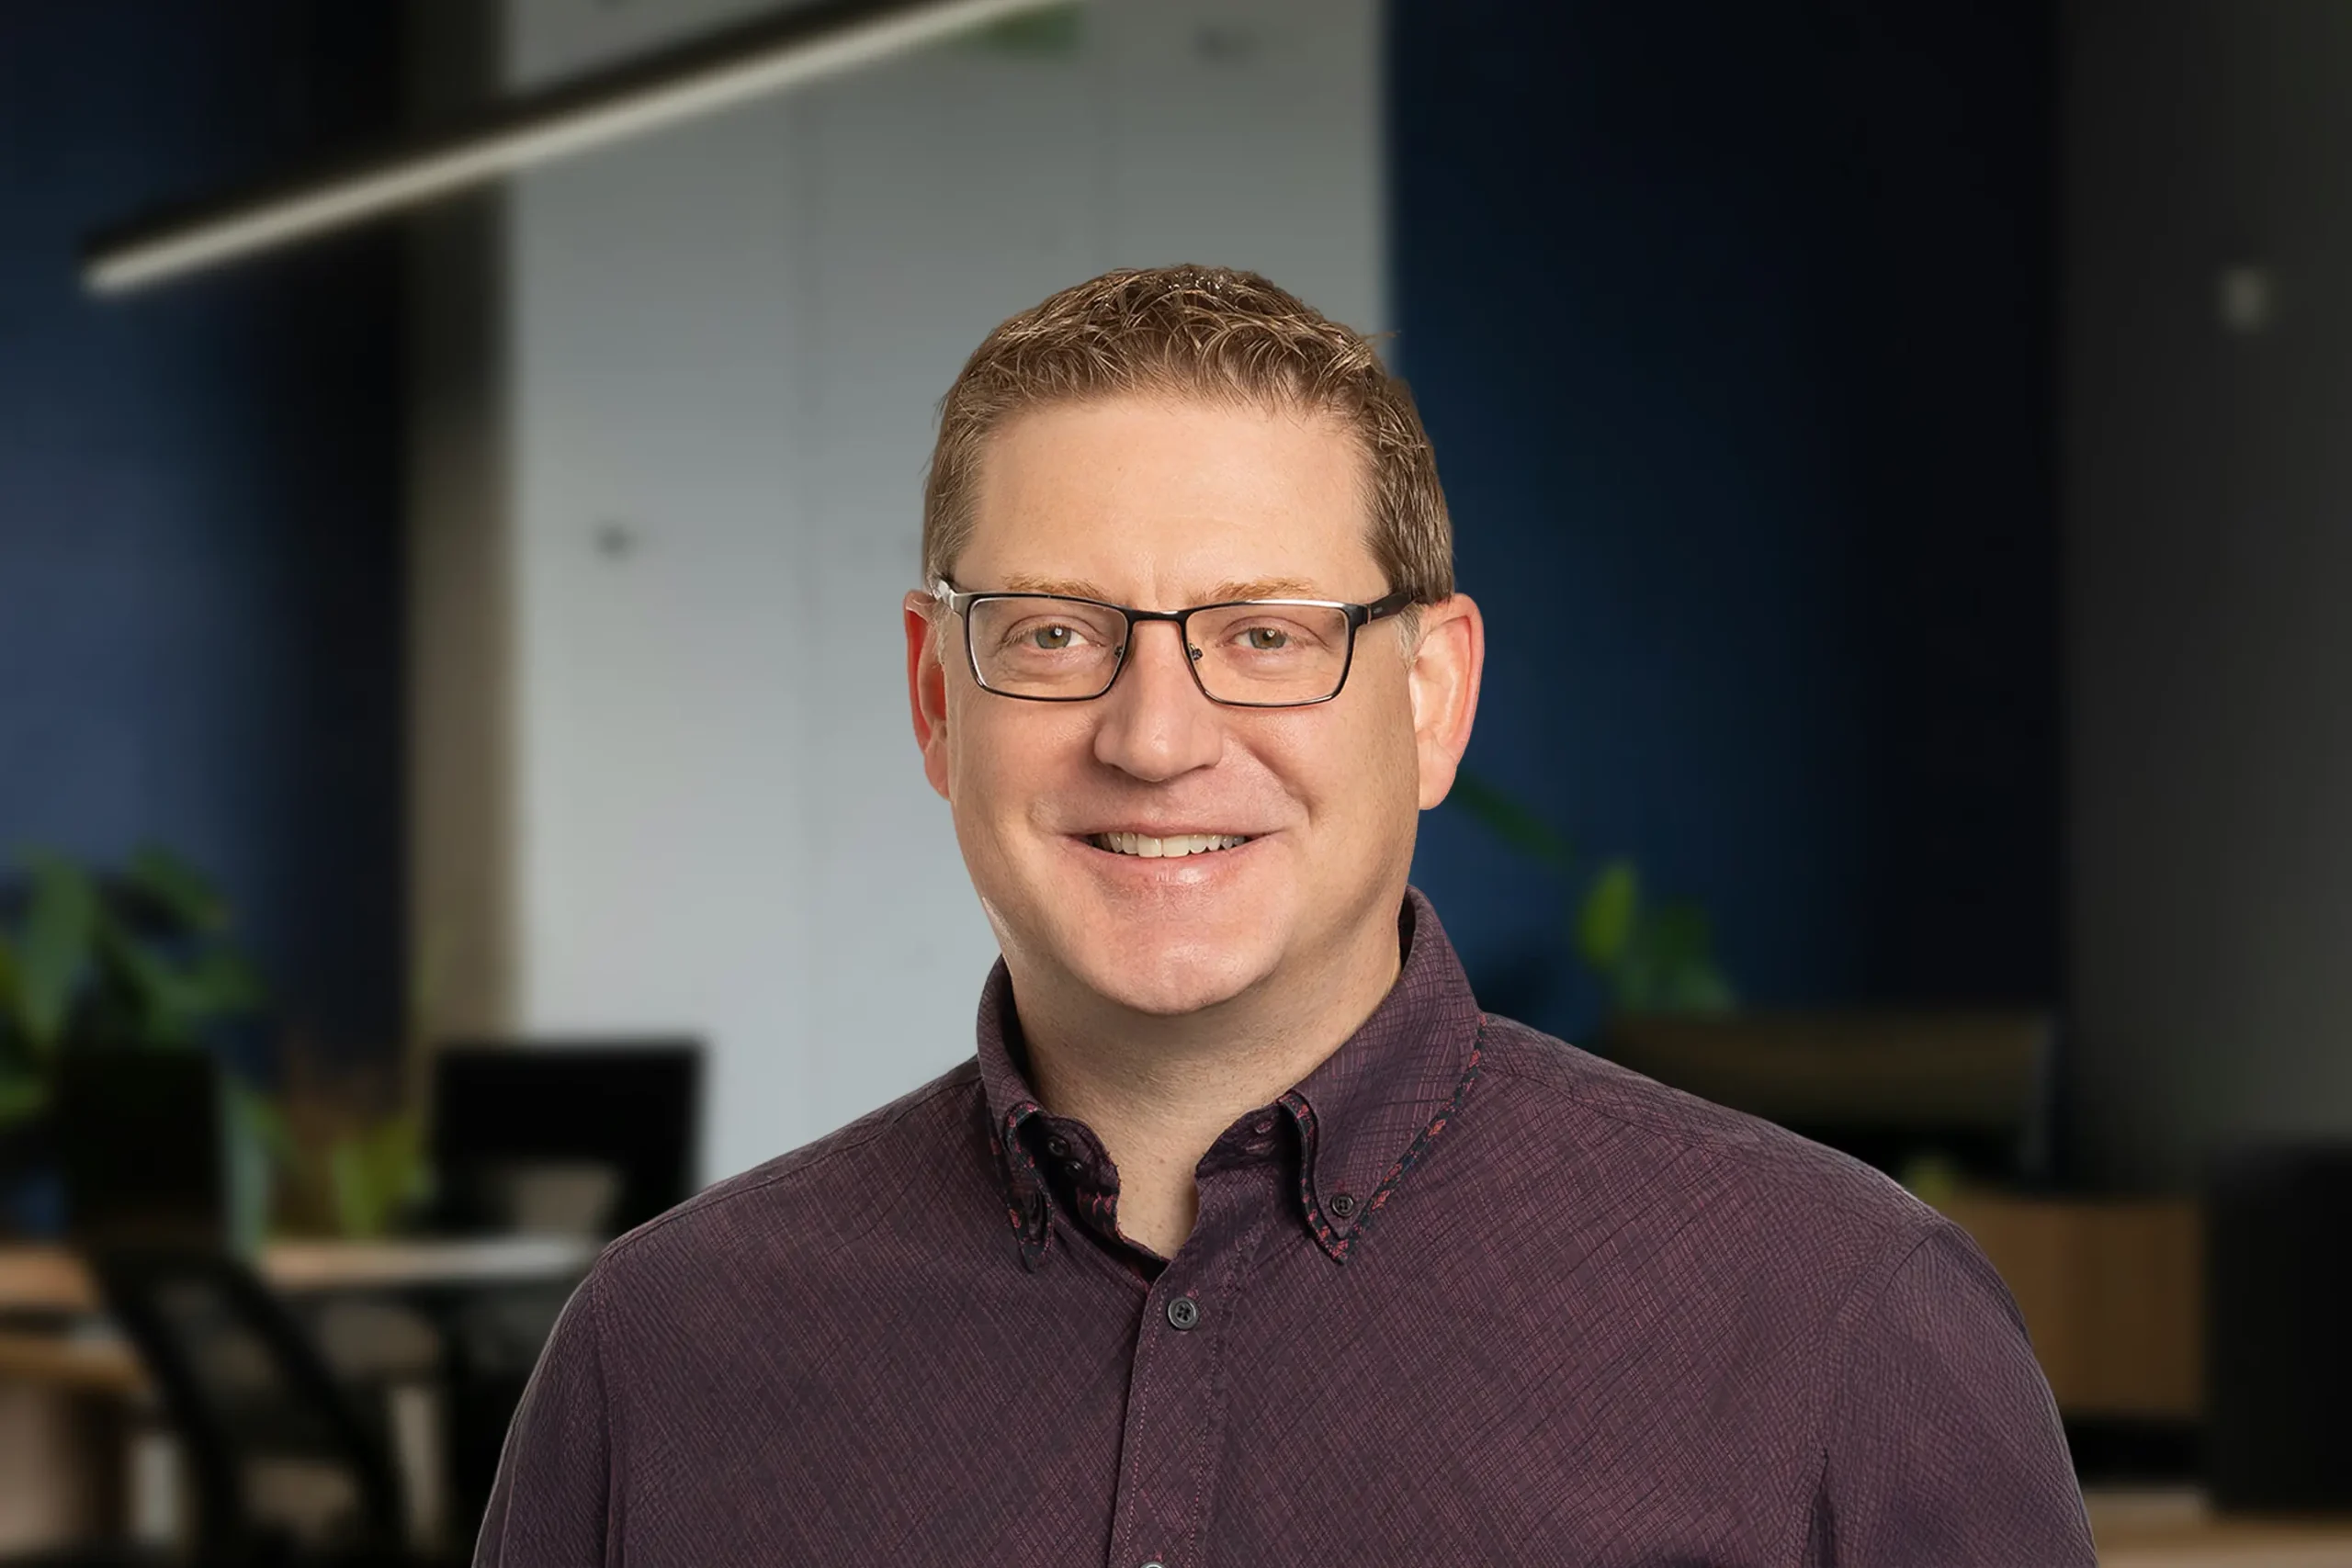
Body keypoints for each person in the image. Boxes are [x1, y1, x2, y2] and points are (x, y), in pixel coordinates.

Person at [475, 265, 2094, 1566]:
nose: (1157, 736)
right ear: (932, 693)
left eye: (1263, 634)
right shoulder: (661, 1359)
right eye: (1052, 634)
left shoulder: (1837, 1325)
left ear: (1434, 695)